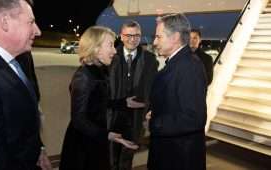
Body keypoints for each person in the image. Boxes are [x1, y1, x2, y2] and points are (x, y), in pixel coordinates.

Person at [0, 0, 52, 169]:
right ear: (4, 22)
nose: (38, 31)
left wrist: (39, 148)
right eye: (31, 22)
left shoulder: (15, 60)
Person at [59, 26, 139, 170]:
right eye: (110, 45)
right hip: (82, 147)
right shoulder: (83, 76)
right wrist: (107, 135)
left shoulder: (98, 71)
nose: (115, 51)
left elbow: (98, 102)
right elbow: (79, 120)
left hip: (95, 139)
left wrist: (122, 103)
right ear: (95, 48)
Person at [147, 14, 207, 170]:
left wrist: (156, 122)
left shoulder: (189, 67)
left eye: (158, 37)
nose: (154, 42)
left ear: (174, 37)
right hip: (172, 152)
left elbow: (194, 118)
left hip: (179, 158)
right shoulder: (179, 62)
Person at [109, 20, 158, 170]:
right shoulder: (111, 55)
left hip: (136, 118)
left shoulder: (150, 59)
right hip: (113, 116)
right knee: (110, 157)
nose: (132, 39)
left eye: (136, 35)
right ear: (121, 36)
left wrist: (148, 108)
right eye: (128, 35)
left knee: (127, 158)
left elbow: (153, 88)